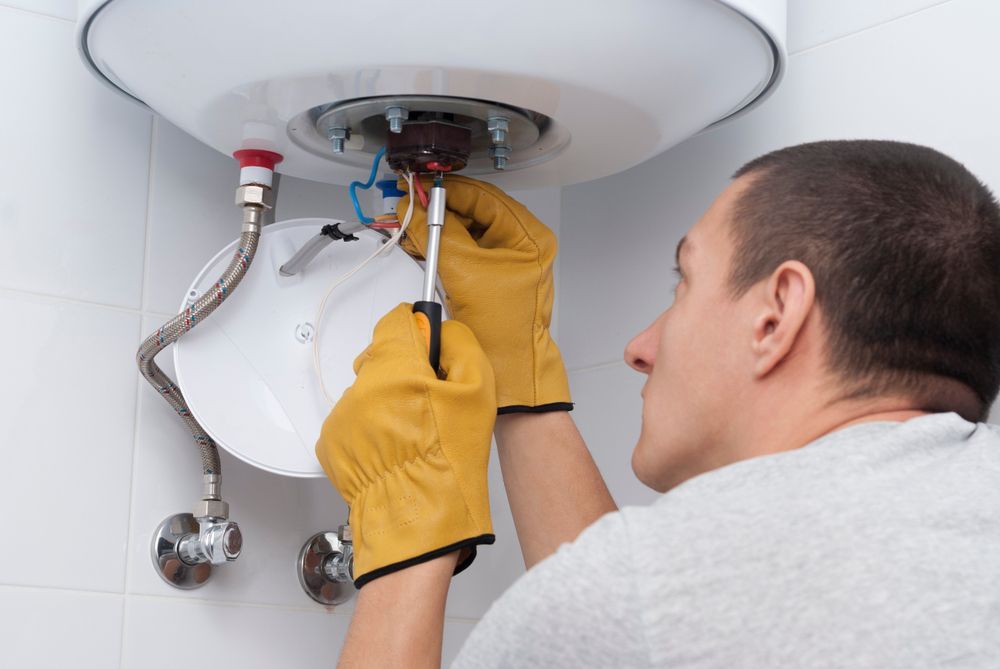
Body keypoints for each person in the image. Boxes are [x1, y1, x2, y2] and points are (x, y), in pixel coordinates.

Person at [315, 140, 1000, 668]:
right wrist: (522, 388)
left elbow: (642, 605)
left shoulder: (655, 590)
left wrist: (403, 527)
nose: (641, 347)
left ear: (776, 315)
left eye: (684, 283)